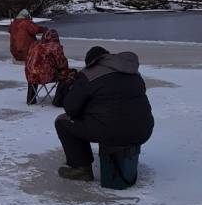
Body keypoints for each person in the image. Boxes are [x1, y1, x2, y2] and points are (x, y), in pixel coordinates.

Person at [55, 46, 154, 181]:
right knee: (112, 119)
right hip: (143, 129)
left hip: (111, 131)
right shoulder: (133, 72)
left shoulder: (89, 74)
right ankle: (124, 159)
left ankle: (81, 168)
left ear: (91, 62)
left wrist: (72, 87)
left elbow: (71, 109)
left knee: (62, 122)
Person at [24, 28, 69, 104]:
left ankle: (30, 98)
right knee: (67, 75)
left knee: (34, 70)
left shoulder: (34, 45)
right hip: (45, 76)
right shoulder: (54, 47)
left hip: (30, 76)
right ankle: (59, 100)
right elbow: (62, 64)